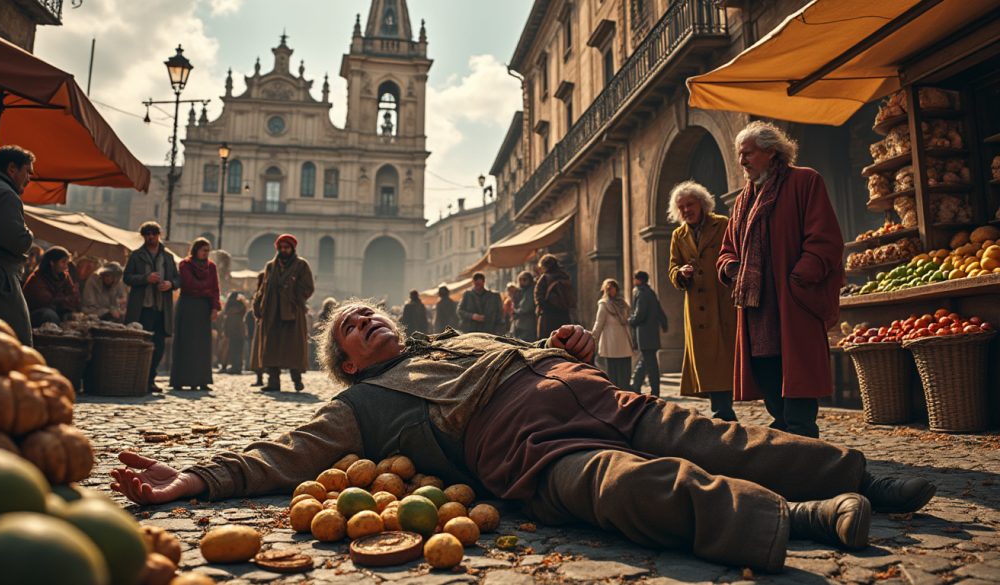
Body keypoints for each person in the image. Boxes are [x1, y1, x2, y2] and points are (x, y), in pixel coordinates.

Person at [110, 299, 937, 573]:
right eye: (349, 329)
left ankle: (862, 475)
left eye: (364, 313)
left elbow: (544, 347)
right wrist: (196, 480)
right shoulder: (359, 408)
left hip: (592, 395)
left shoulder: (464, 337)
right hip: (539, 456)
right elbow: (276, 456)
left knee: (729, 438)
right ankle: (801, 519)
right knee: (631, 490)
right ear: (350, 366)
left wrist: (565, 347)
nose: (361, 318)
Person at [717, 122, 844, 439]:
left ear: (771, 151)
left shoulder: (805, 181)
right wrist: (732, 268)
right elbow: (727, 249)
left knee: (798, 372)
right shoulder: (743, 201)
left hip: (792, 300)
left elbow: (824, 239)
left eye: (748, 153)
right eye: (739, 155)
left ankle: (804, 438)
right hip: (757, 306)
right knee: (767, 367)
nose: (742, 161)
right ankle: (786, 434)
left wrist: (800, 276)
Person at [667, 181, 738, 421]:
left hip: (722, 302)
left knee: (725, 356)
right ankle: (721, 410)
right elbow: (672, 267)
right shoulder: (678, 235)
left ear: (702, 204)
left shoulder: (723, 224)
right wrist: (680, 273)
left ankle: (724, 410)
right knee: (708, 361)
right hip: (696, 307)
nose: (686, 210)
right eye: (681, 207)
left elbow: (736, 252)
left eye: (690, 204)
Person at [0, 145, 36, 345]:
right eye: (27, 171)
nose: (29, 178)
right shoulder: (4, 194)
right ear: (12, 169)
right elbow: (16, 241)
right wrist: (29, 234)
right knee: (13, 343)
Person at [254, 234, 315, 392]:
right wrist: (258, 306)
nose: (283, 250)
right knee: (271, 348)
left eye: (286, 247)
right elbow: (262, 289)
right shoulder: (270, 266)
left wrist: (293, 293)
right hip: (272, 313)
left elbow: (308, 287)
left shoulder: (301, 265)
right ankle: (273, 382)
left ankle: (297, 379)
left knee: (293, 348)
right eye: (281, 248)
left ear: (292, 248)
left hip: (292, 313)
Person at [124, 221, 180, 393]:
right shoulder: (136, 255)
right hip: (143, 307)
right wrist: (145, 279)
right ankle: (139, 379)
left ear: (158, 235)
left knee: (159, 345)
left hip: (162, 308)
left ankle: (151, 379)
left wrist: (170, 284)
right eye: (147, 234)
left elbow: (178, 279)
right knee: (143, 344)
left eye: (153, 234)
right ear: (143, 236)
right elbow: (127, 278)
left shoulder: (168, 257)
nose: (150, 237)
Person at [170, 238, 220, 391]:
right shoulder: (185, 265)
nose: (205, 253)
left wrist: (214, 308)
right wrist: (205, 289)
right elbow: (189, 284)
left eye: (207, 251)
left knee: (202, 345)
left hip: (203, 308)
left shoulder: (211, 267)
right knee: (185, 342)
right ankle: (181, 379)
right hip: (187, 305)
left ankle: (201, 380)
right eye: (203, 250)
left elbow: (215, 288)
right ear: (196, 250)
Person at [628, 271, 668, 395]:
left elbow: (640, 314)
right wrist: (664, 323)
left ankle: (644, 388)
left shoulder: (640, 292)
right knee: (648, 362)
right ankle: (638, 386)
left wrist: (629, 321)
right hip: (652, 333)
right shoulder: (651, 292)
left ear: (639, 280)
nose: (633, 281)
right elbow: (660, 311)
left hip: (644, 333)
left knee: (649, 363)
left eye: (634, 278)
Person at [22, 246, 80, 327]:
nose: (66, 267)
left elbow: (73, 297)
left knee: (74, 318)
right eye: (63, 262)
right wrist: (64, 299)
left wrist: (66, 301)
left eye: (67, 263)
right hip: (33, 316)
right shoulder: (37, 278)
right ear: (52, 263)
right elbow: (46, 301)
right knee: (49, 315)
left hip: (58, 311)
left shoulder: (64, 276)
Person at [590, 278, 633, 389]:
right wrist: (593, 337)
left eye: (613, 287)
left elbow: (629, 319)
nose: (611, 290)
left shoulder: (623, 304)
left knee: (624, 371)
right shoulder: (603, 304)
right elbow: (599, 323)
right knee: (612, 372)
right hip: (611, 342)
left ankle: (625, 392)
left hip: (623, 341)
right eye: (609, 288)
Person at [534, 254, 575, 340]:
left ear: (544, 266)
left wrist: (544, 308)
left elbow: (538, 297)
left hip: (548, 316)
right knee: (564, 340)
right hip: (564, 314)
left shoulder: (544, 278)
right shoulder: (565, 276)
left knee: (547, 342)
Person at [221, 292, 248, 375]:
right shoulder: (241, 305)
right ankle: (237, 367)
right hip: (239, 330)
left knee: (233, 349)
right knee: (238, 350)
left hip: (232, 331)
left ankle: (234, 366)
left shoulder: (229, 307)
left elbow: (226, 318)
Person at [510, 271, 537, 342]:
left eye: (524, 279)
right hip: (519, 323)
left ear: (529, 280)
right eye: (520, 279)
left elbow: (526, 307)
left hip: (527, 323)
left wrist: (516, 312)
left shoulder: (531, 290)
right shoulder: (520, 291)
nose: (522, 281)